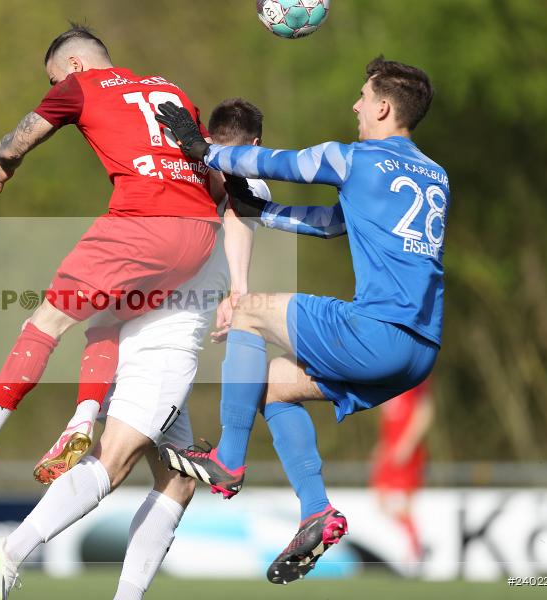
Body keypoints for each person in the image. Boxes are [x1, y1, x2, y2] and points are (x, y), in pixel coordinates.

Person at [155, 56, 447, 584]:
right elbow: (336, 224)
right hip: (420, 353)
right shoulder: (435, 175)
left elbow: (279, 162)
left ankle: (228, 459)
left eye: (363, 97)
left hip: (376, 332)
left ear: (383, 107)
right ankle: (317, 510)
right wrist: (260, 212)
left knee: (246, 310)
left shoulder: (354, 158)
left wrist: (206, 151)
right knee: (269, 389)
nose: (355, 105)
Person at [0, 99, 275, 600]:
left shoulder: (181, 171)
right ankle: (10, 552)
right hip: (164, 349)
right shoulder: (246, 180)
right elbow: (242, 197)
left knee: (177, 481)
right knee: (112, 462)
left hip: (124, 333)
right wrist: (240, 292)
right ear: (256, 146)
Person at [0, 24, 221, 483]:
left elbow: (19, 138)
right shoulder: (169, 88)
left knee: (44, 322)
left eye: (53, 79)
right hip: (199, 234)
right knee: (107, 321)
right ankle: (82, 419)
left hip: (142, 223)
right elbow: (211, 168)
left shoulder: (80, 86)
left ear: (75, 65)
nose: (55, 89)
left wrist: (5, 160)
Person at [371, 376, 434, 572]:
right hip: (389, 450)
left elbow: (425, 411)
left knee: (403, 504)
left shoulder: (415, 377)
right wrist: (382, 447)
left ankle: (414, 551)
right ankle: (415, 546)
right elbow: (389, 423)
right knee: (381, 502)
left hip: (406, 453)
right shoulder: (386, 381)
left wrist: (408, 443)